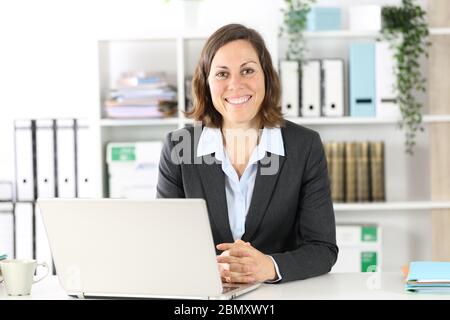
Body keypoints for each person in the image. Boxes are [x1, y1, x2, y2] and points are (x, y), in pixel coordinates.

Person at [157, 23, 338, 284]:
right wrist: (205, 268)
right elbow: (165, 242)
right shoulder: (178, 147)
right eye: (222, 74)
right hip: (206, 295)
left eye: (248, 70)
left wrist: (270, 266)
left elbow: (323, 249)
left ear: (266, 77)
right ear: (205, 83)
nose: (235, 84)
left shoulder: (304, 146)